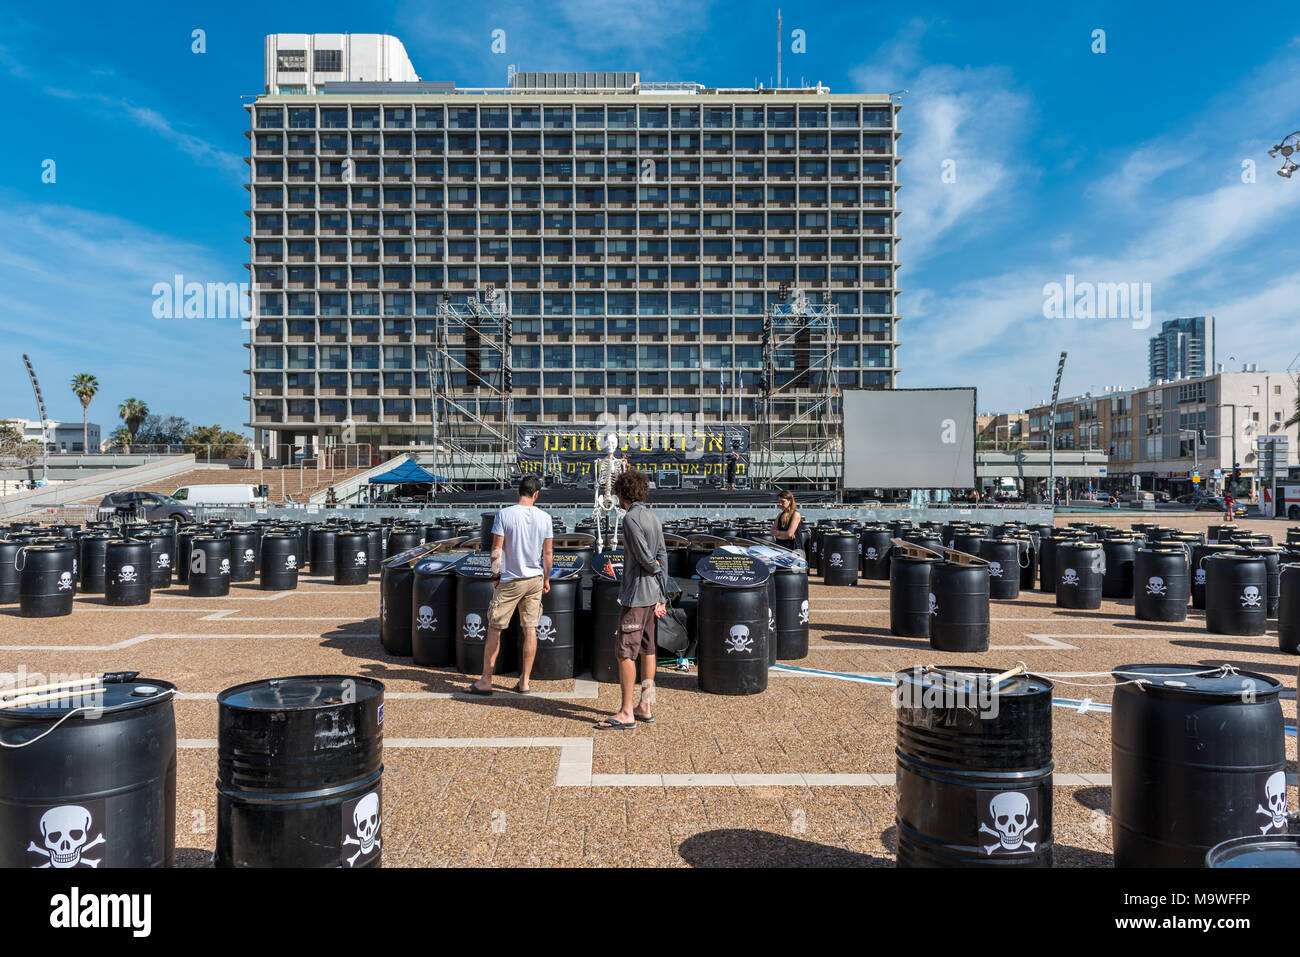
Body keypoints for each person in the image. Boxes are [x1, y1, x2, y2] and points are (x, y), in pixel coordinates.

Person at [595, 468, 668, 729]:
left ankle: (626, 712)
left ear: (622, 493)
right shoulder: (653, 517)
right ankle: (645, 705)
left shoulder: (630, 519)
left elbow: (645, 557)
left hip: (636, 596)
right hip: (652, 596)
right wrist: (662, 593)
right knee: (648, 651)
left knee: (625, 652)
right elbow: (663, 554)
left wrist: (655, 569)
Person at [469, 475, 553, 696]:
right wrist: (546, 579)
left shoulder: (504, 514)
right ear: (537, 494)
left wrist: (495, 576)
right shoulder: (545, 518)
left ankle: (486, 681)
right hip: (534, 579)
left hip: (510, 579)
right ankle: (524, 682)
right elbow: (548, 554)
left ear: (518, 491)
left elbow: (496, 550)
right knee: (530, 629)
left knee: (495, 628)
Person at [771, 490, 805, 556]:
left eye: (783, 501)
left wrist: (778, 534)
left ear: (790, 501)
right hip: (781, 550)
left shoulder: (796, 514)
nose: (780, 504)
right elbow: (772, 532)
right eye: (779, 501)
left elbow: (789, 534)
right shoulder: (780, 515)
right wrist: (784, 535)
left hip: (794, 551)